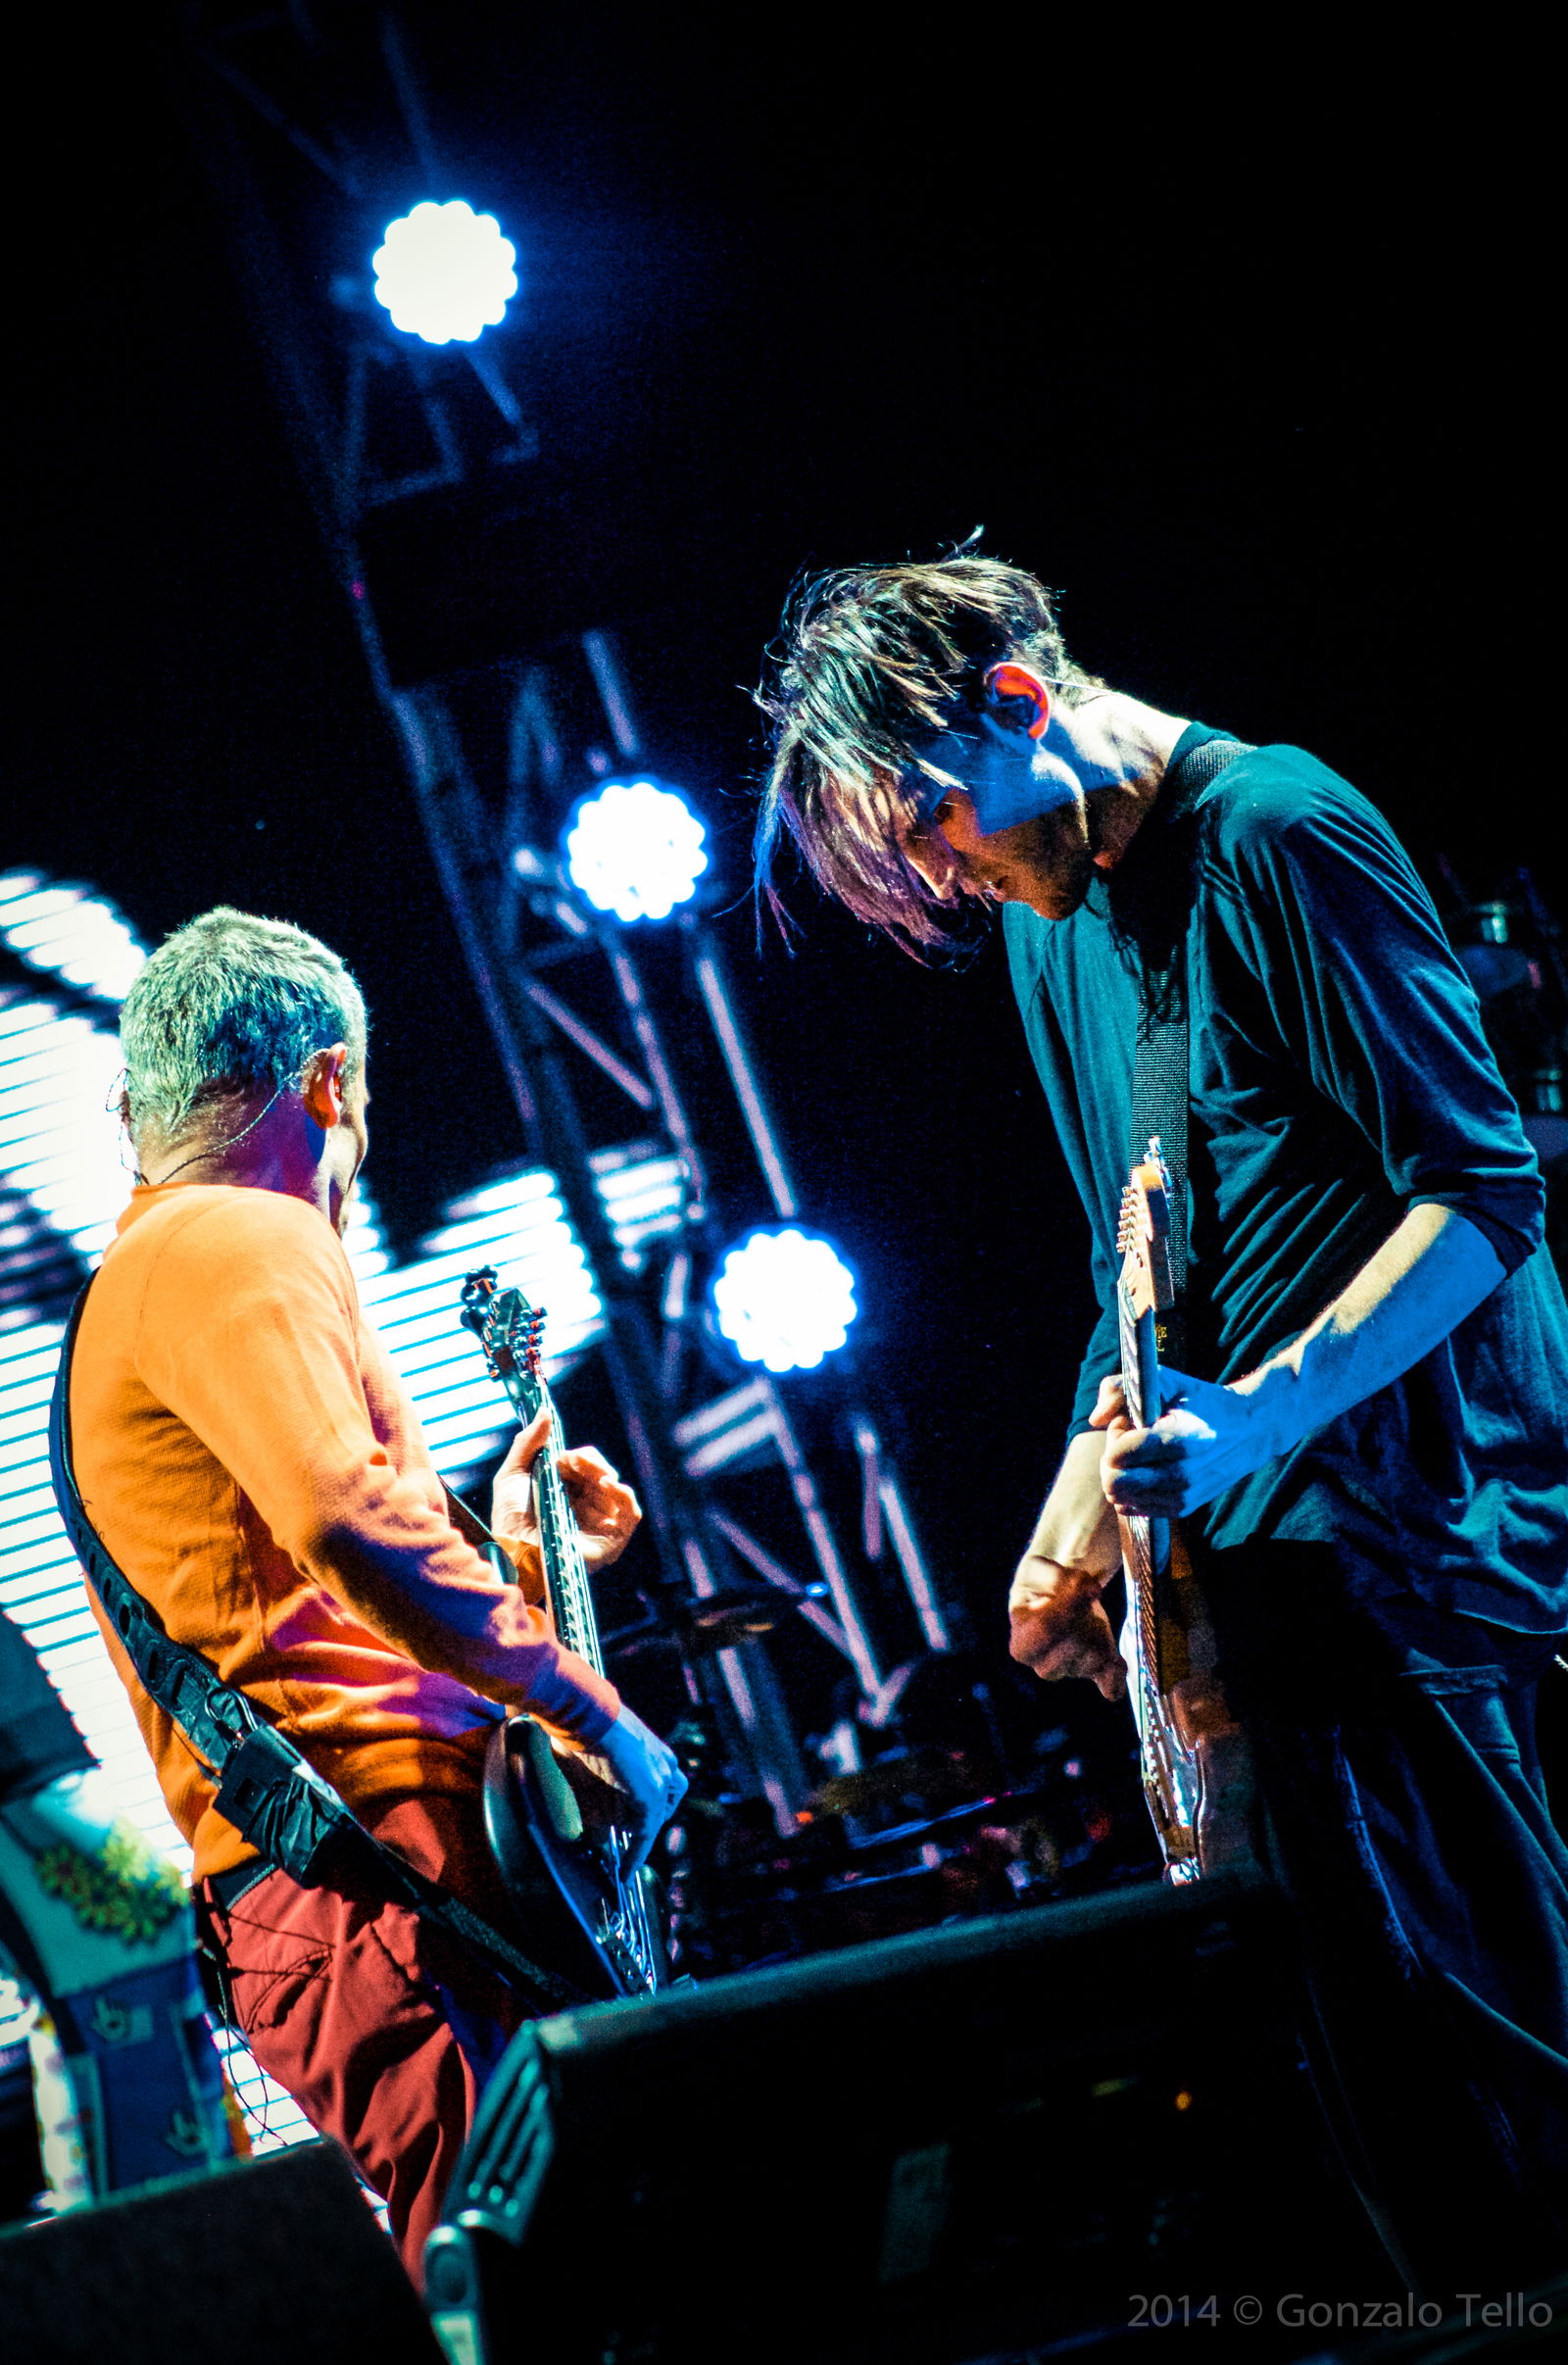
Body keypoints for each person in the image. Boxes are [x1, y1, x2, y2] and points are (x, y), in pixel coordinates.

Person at [754, 552, 1568, 2291]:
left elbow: (1486, 1190)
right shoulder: (1057, 933)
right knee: (1382, 2117)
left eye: (935, 818)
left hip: (1415, 1548)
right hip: (1259, 1593)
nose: (945, 871)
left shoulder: (1277, 830)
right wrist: (1068, 1525)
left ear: (1023, 705)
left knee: (1513, 2073)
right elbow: (1138, 1267)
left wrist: (1266, 1411)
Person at [64, 907, 685, 2277]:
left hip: (341, 1897)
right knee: (555, 2289)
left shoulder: (160, 1268)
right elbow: (350, 1520)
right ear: (328, 1080)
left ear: (130, 1111)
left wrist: (513, 1551)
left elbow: (308, 1588)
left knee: (560, 2280)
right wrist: (603, 1715)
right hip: (382, 1877)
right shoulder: (242, 1237)